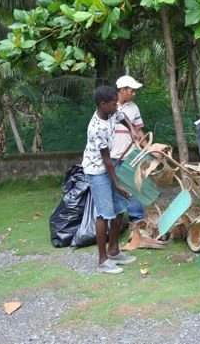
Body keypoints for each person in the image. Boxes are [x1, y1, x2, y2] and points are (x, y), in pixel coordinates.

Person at [82, 85, 141, 274]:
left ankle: (114, 251)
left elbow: (123, 118)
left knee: (119, 209)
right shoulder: (96, 128)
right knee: (104, 214)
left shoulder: (111, 113)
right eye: (114, 103)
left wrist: (132, 129)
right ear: (102, 104)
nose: (117, 106)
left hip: (109, 167)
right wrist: (116, 184)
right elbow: (106, 160)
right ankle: (102, 261)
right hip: (97, 170)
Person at [111, 75, 146, 224]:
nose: (134, 93)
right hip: (112, 156)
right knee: (114, 188)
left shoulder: (134, 108)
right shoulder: (108, 106)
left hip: (130, 155)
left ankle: (137, 220)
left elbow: (139, 131)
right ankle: (115, 219)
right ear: (123, 90)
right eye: (131, 90)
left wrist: (149, 149)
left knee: (133, 187)